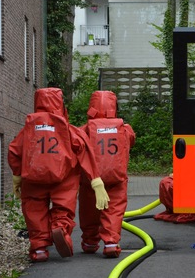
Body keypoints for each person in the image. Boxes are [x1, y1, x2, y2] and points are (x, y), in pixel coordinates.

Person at [8, 87, 110, 262]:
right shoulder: (69, 130)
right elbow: (84, 152)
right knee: (63, 208)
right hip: (64, 178)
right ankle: (60, 228)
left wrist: (17, 177)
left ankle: (39, 248)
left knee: (34, 210)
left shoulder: (29, 128)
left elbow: (14, 151)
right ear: (61, 104)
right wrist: (95, 180)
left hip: (33, 178)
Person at [78, 90, 136, 258]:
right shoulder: (124, 129)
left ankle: (90, 242)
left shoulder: (85, 130)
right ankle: (111, 242)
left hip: (91, 179)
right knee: (114, 210)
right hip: (116, 177)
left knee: (89, 209)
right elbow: (131, 140)